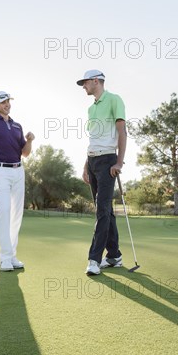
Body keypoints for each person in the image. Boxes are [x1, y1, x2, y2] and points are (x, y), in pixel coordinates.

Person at [76, 70, 127, 276]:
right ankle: (114, 255)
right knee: (105, 209)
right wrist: (85, 165)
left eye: (85, 82)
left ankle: (94, 259)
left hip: (108, 161)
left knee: (102, 210)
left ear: (96, 81)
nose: (83, 86)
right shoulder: (90, 109)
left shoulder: (114, 100)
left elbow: (122, 131)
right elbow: (92, 140)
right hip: (93, 160)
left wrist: (119, 162)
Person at [0, 91, 35, 271]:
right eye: (2, 102)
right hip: (0, 171)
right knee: (4, 211)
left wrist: (29, 141)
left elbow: (24, 153)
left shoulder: (17, 125)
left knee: (16, 215)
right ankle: (4, 258)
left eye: (8, 101)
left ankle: (12, 256)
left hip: (19, 171)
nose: (7, 104)